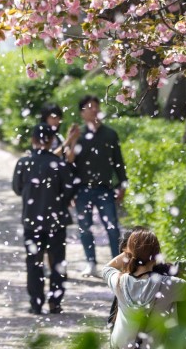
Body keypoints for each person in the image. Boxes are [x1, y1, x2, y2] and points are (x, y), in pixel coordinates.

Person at [12, 123, 76, 315]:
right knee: (57, 262)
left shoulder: (24, 163)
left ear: (33, 140)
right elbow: (70, 191)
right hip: (56, 221)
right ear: (50, 141)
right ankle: (55, 301)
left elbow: (17, 188)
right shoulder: (59, 165)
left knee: (34, 262)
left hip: (32, 220)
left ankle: (36, 302)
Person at [67, 94, 128, 277]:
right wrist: (72, 140)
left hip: (104, 188)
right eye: (89, 107)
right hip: (82, 189)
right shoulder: (79, 134)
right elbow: (69, 162)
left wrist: (122, 185)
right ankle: (91, 262)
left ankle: (116, 263)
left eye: (96, 106)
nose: (94, 110)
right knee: (84, 228)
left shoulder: (109, 134)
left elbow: (118, 161)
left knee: (112, 228)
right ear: (82, 112)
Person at [103, 228, 186, 348]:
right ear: (157, 256)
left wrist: (129, 254)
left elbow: (106, 269)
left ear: (129, 255)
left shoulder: (119, 282)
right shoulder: (170, 285)